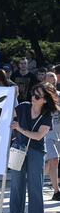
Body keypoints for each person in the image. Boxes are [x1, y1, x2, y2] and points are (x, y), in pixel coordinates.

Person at [7, 82, 59, 213]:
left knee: (35, 185)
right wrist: (12, 95)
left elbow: (37, 136)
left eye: (37, 96)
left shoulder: (46, 116)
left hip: (36, 151)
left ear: (44, 100)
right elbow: (8, 113)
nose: (33, 98)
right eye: (32, 94)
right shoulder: (23, 107)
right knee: (16, 183)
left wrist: (19, 129)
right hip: (18, 149)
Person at [43, 72, 60, 200]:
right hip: (47, 134)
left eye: (53, 78)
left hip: (59, 133)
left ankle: (37, 178)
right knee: (54, 160)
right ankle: (56, 191)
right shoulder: (41, 98)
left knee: (51, 162)